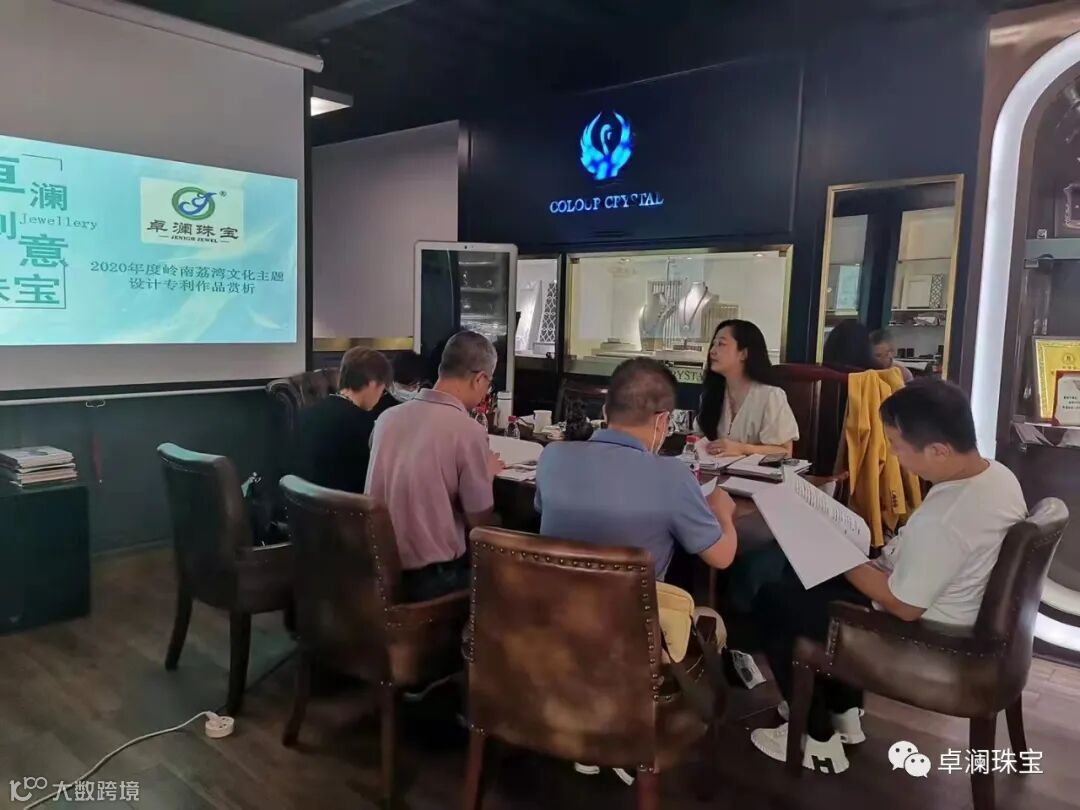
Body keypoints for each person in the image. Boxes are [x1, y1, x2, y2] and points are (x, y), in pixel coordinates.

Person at [749, 379, 1027, 774]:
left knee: (774, 602)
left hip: (929, 635)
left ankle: (816, 738)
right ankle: (842, 711)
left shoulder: (946, 520)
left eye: (897, 445)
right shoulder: (995, 475)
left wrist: (838, 555)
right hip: (954, 607)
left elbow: (903, 606)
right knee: (801, 580)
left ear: (939, 450)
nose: (893, 455)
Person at [535, 357, 739, 580]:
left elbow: (544, 509)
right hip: (631, 604)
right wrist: (723, 512)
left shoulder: (552, 456)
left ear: (605, 412)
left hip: (552, 600)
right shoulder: (673, 475)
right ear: (662, 421)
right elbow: (721, 557)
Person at [366, 331, 504, 602]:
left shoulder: (386, 419)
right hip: (433, 580)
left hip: (377, 570)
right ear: (480, 379)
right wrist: (485, 476)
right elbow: (479, 523)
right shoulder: (468, 431)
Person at [292, 347, 393, 494]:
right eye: (382, 390)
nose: (379, 397)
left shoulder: (306, 413)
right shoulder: (364, 425)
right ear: (372, 383)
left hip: (304, 501)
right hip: (347, 504)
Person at [697, 319, 799, 458]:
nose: (712, 351)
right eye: (713, 344)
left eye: (721, 344)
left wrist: (742, 449)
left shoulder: (771, 396)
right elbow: (699, 438)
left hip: (756, 472)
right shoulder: (710, 395)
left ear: (743, 353)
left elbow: (785, 452)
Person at [370, 350, 431, 419]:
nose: (414, 390)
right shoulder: (375, 404)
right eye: (409, 386)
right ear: (391, 382)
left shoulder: (426, 399)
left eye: (418, 385)